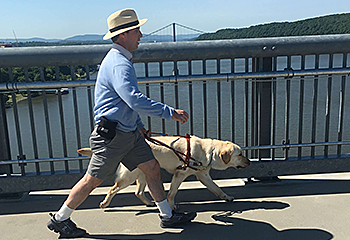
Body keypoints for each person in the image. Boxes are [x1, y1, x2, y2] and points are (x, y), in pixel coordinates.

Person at [47, 9, 196, 238]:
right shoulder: (119, 63)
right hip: (113, 137)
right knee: (91, 180)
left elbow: (124, 103)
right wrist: (170, 113)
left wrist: (137, 124)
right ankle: (60, 219)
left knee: (153, 169)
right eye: (137, 30)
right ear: (124, 34)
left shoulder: (121, 59)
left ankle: (167, 215)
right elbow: (133, 98)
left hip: (129, 133)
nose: (141, 35)